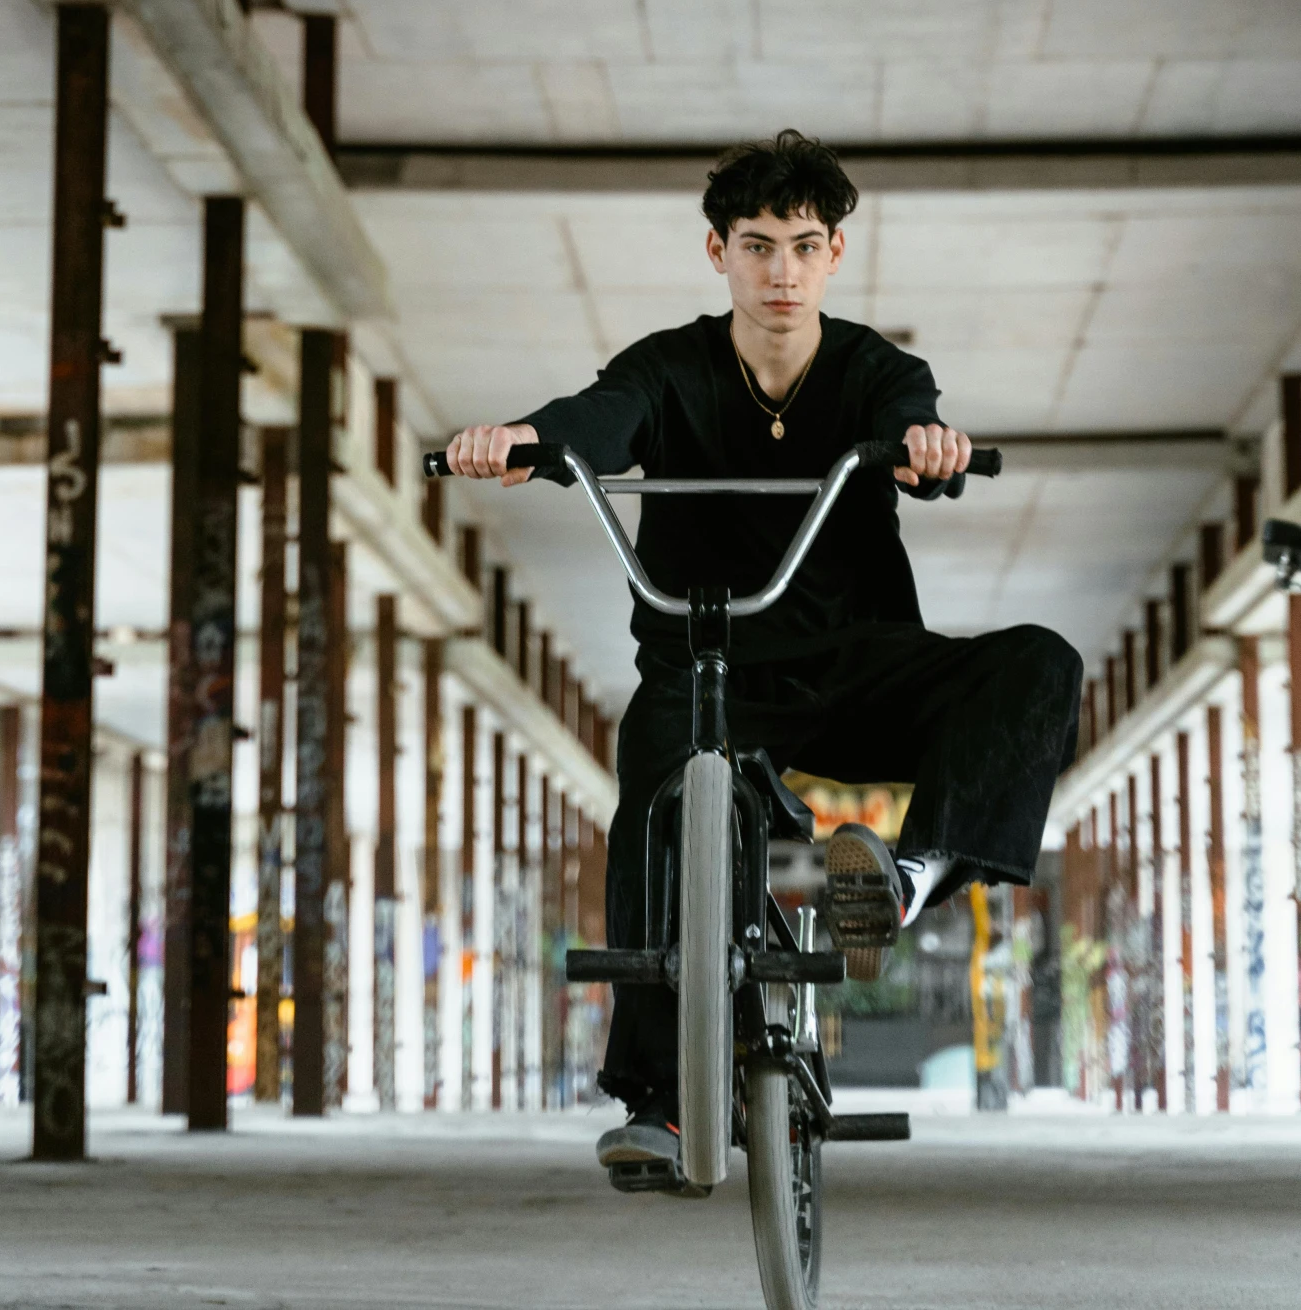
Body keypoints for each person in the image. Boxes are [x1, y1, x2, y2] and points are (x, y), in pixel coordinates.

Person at [443, 129, 1081, 1183]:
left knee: (1038, 663)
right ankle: (665, 1106)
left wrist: (929, 454)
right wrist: (524, 439)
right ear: (717, 254)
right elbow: (601, 417)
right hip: (708, 677)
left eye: (801, 244)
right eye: (755, 245)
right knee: (651, 799)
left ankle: (911, 871)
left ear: (834, 253)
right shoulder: (668, 366)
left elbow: (912, 424)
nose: (779, 271)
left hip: (857, 666)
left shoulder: (877, 370)